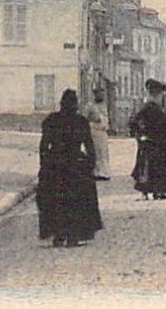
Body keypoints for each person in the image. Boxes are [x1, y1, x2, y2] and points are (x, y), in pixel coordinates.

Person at [37, 88, 103, 246]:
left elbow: (43, 146)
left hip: (55, 164)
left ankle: (58, 234)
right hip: (75, 164)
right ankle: (74, 234)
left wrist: (44, 164)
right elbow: (89, 145)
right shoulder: (80, 121)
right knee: (76, 201)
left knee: (55, 200)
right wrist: (90, 164)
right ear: (75, 105)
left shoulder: (52, 120)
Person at [129, 79, 166, 200]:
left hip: (151, 141)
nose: (160, 96)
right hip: (154, 142)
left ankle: (150, 192)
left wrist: (139, 134)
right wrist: (140, 133)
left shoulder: (151, 107)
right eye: (159, 94)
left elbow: (134, 122)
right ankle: (155, 191)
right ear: (155, 94)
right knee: (155, 167)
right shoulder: (152, 107)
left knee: (148, 167)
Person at [83, 85, 112, 181]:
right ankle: (95, 172)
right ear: (95, 95)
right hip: (94, 133)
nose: (102, 96)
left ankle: (104, 172)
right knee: (96, 152)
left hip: (103, 133)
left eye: (103, 94)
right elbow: (84, 119)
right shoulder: (90, 106)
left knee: (104, 153)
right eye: (100, 94)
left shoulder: (104, 106)